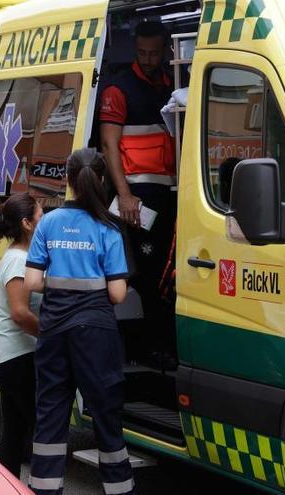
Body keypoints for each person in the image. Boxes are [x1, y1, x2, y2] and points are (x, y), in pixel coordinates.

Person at [25, 148, 133, 495]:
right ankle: (118, 489)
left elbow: (32, 282)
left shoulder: (49, 223)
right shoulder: (108, 228)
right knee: (105, 414)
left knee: (51, 412)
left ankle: (44, 488)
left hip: (53, 329)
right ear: (100, 180)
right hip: (95, 332)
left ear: (68, 181)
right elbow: (117, 295)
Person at [99, 20, 177, 363]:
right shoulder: (118, 90)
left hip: (170, 191)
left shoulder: (171, 83)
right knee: (149, 273)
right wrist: (125, 194)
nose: (147, 59)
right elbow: (108, 144)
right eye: (142, 52)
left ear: (165, 50)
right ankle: (152, 348)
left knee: (167, 269)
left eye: (154, 53)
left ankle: (164, 343)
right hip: (138, 197)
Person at [0, 193, 43, 478]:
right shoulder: (19, 261)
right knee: (42, 428)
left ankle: (8, 484)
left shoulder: (18, 256)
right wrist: (50, 335)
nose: (44, 223)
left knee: (15, 430)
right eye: (40, 217)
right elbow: (20, 313)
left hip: (5, 355)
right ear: (27, 224)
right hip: (16, 356)